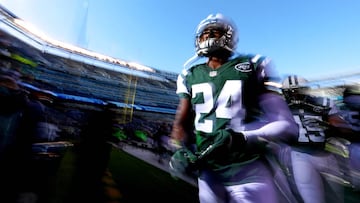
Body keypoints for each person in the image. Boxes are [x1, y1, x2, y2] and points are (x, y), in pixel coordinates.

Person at [169, 13, 298, 203]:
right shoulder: (189, 75)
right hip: (208, 171)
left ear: (230, 36)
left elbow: (286, 125)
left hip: (248, 169)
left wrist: (242, 136)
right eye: (205, 33)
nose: (209, 37)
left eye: (215, 32)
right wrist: (182, 149)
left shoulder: (253, 64)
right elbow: (181, 124)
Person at [280, 75, 344, 203]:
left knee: (337, 197)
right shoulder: (322, 102)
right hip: (301, 155)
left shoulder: (322, 103)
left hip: (323, 153)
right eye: (292, 92)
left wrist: (329, 127)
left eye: (298, 91)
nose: (295, 95)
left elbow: (340, 126)